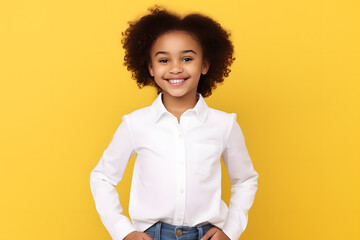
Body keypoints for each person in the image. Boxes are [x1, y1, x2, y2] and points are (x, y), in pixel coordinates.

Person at [90, 6, 258, 240]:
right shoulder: (135, 124)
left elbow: (245, 180)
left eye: (187, 58)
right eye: (164, 60)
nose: (176, 68)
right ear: (150, 67)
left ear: (205, 65)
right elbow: (102, 177)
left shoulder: (224, 125)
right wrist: (123, 231)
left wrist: (230, 231)